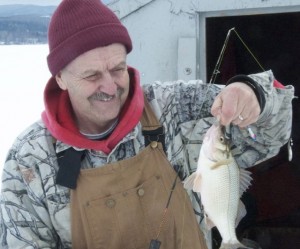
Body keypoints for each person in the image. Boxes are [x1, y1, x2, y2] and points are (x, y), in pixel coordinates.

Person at [0, 0, 294, 248]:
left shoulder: (174, 108)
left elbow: (270, 134)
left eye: (117, 69)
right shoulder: (31, 160)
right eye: (91, 76)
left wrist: (253, 92)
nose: (110, 86)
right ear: (61, 78)